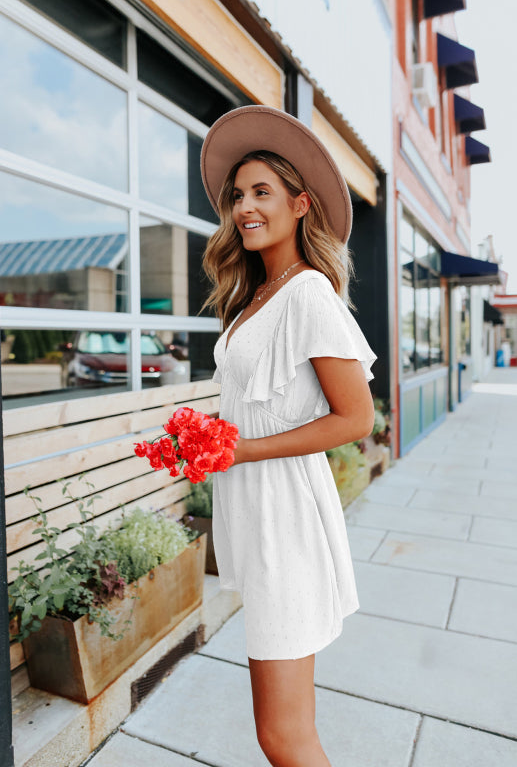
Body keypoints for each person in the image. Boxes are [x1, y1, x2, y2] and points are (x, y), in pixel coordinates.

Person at [200, 105, 378, 767]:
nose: (244, 207)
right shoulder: (256, 296)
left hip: (286, 522)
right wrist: (206, 440)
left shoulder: (306, 294)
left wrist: (242, 448)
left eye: (261, 193)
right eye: (238, 196)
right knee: (278, 728)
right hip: (257, 509)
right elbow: (255, 407)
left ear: (301, 204)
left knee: (283, 735)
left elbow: (353, 419)